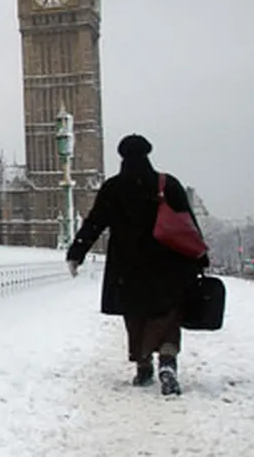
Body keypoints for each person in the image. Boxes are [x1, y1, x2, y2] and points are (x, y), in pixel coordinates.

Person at [65, 133, 209, 396]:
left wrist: (76, 252)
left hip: (128, 266)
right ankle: (167, 360)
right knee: (167, 315)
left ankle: (144, 366)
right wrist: (200, 255)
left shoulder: (114, 188)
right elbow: (187, 223)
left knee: (136, 316)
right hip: (167, 263)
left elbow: (94, 223)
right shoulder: (167, 184)